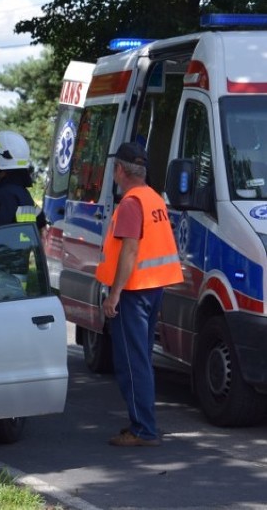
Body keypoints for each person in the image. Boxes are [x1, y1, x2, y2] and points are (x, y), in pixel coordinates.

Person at [96, 142, 183, 447]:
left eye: (114, 168)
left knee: (132, 362)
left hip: (133, 292)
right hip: (153, 288)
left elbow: (130, 250)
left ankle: (144, 430)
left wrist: (113, 295)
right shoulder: (154, 199)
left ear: (120, 169)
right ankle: (143, 423)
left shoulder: (132, 203)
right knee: (141, 359)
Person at [0, 130, 44, 229]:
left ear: (4, 162)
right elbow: (41, 223)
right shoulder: (23, 193)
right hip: (27, 245)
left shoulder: (4, 195)